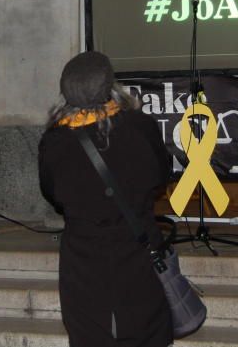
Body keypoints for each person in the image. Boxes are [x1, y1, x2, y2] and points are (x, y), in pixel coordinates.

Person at [38, 51, 173, 347]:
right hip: (139, 248)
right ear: (111, 86)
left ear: (65, 92)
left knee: (90, 333)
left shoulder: (55, 142)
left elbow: (52, 193)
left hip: (84, 258)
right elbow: (161, 176)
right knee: (147, 330)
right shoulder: (140, 126)